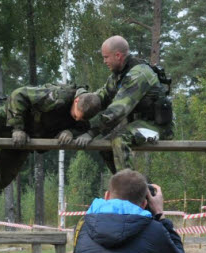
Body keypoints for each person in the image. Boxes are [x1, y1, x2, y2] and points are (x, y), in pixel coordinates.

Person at [0, 84, 104, 189]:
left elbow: (83, 128)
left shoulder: (84, 114)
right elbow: (19, 94)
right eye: (76, 115)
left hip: (26, 141)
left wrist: (71, 132)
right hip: (10, 120)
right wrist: (17, 128)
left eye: (80, 118)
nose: (76, 119)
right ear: (76, 101)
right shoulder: (58, 96)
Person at [73, 35, 174, 174]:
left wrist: (91, 132)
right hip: (139, 125)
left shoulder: (138, 75)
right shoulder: (117, 76)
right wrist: (80, 104)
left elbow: (116, 112)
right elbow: (102, 96)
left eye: (106, 57)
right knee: (105, 147)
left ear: (118, 55)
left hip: (158, 128)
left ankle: (130, 188)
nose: (104, 61)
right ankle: (133, 186)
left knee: (119, 139)